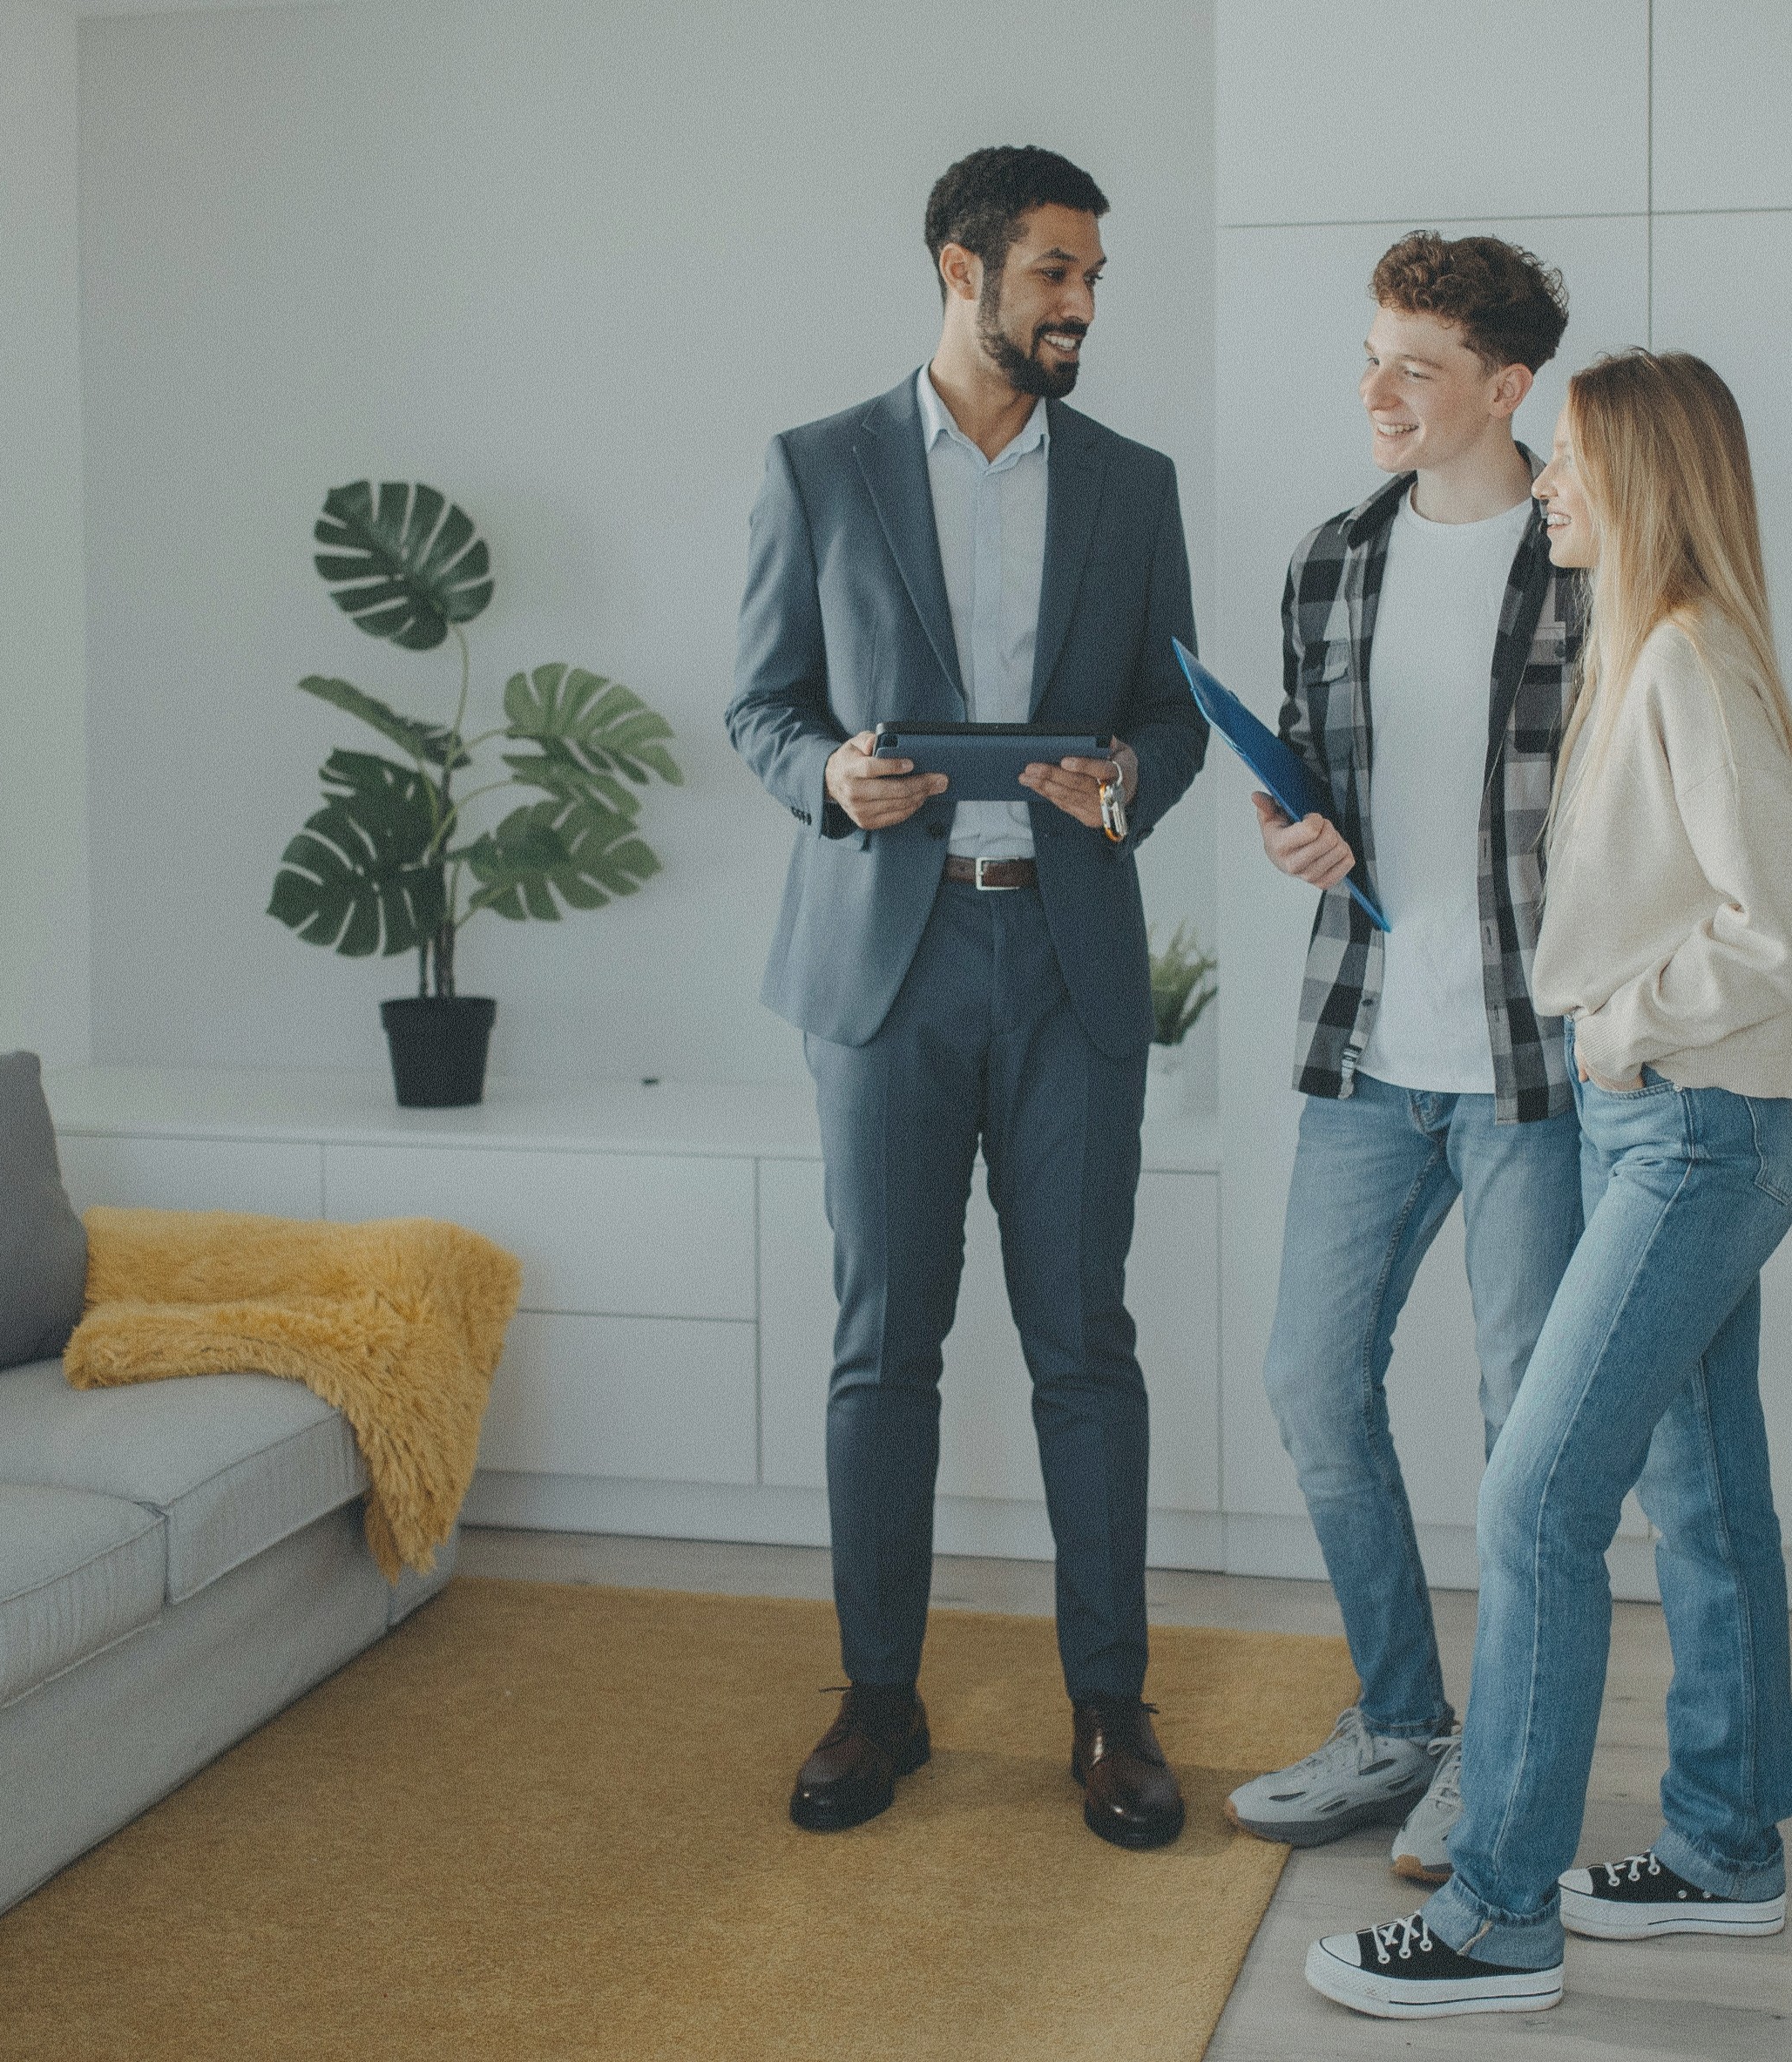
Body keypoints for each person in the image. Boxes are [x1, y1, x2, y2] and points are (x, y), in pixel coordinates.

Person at [725, 145, 1207, 1847]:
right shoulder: (820, 466)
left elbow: (1172, 706)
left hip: (1068, 961)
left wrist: (1124, 783)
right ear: (962, 269)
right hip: (883, 964)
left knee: (1085, 1344)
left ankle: (1110, 1709)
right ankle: (877, 1696)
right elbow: (761, 702)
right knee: (881, 1343)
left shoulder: (1132, 484)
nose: (1080, 303)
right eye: (1053, 272)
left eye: (1090, 275)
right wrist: (829, 777)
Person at [1309, 349, 1792, 2018]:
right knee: (1710, 1492)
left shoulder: (1685, 662)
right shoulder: (1647, 650)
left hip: (1690, 1123)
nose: (1550, 486)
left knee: (1533, 1505)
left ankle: (1498, 1916)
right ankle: (1731, 1846)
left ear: (1642, 481)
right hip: (1680, 1119)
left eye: (1574, 462)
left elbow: (1780, 921)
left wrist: (1617, 1030)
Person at [1226, 235, 1585, 1882]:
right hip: (1372, 1048)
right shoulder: (1332, 559)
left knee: (1528, 1434)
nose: (1378, 390)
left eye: (1419, 365)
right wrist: (1296, 832)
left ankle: (1498, 1770)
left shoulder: (1592, 553)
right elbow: (1321, 787)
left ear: (1509, 389)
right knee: (1311, 1379)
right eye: (1372, 353)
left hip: (1537, 1068)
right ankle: (1401, 1725)